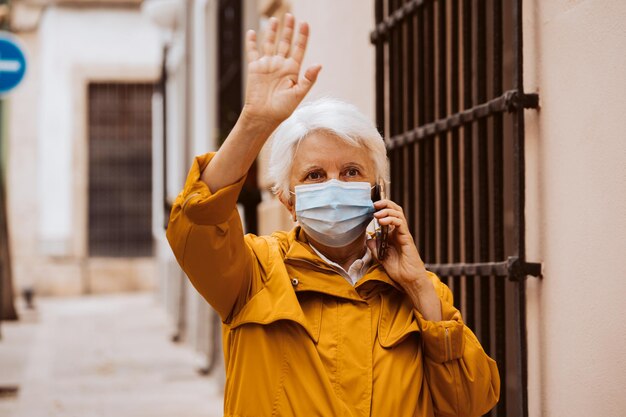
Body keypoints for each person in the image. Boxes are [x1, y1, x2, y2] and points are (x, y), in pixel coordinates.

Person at [166, 14, 500, 417]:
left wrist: (420, 290)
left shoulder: (422, 292)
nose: (334, 185)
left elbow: (472, 402)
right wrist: (254, 123)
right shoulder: (253, 273)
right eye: (315, 175)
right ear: (288, 200)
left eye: (351, 172)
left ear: (375, 188)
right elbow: (200, 222)